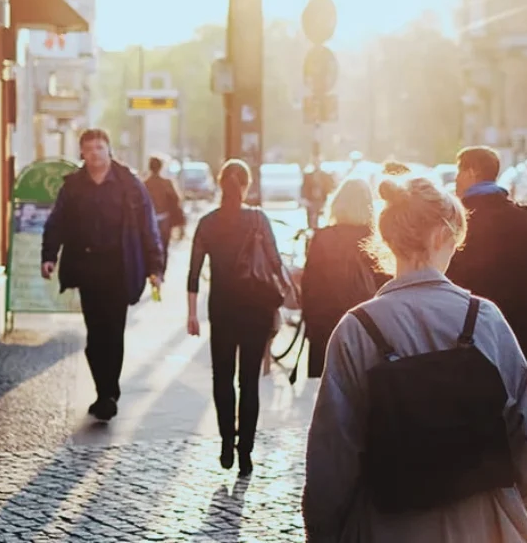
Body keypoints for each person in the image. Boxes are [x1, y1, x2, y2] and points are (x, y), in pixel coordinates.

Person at [303, 176, 527, 542]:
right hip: (482, 524)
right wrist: (517, 508)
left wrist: (322, 533)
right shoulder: (485, 319)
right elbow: (524, 440)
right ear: (438, 238)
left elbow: (333, 455)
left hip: (385, 526)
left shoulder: (357, 330)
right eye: (454, 243)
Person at [41, 129, 164, 422]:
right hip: (87, 268)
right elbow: (56, 222)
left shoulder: (130, 185)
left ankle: (108, 394)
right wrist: (49, 256)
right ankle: (103, 390)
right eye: (89, 149)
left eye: (100, 147)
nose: (95, 153)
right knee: (95, 336)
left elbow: (148, 227)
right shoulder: (73, 187)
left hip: (119, 268)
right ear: (82, 153)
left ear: (109, 150)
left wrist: (155, 268)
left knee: (113, 332)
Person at [186, 159, 282, 476]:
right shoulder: (258, 219)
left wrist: (191, 314)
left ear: (219, 183)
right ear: (246, 185)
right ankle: (246, 453)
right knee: (249, 381)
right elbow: (275, 263)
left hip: (222, 308)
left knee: (222, 378)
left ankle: (227, 441)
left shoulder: (208, 223)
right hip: (255, 308)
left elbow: (194, 272)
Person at [446, 146, 527, 364]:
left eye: (459, 172)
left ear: (472, 172)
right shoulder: (525, 218)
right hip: (517, 334)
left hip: (467, 336)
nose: (456, 180)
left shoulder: (459, 221)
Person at [300, 178, 389, 379]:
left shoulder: (322, 237)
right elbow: (386, 285)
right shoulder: (375, 240)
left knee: (328, 390)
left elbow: (309, 287)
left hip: (327, 327)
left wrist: (311, 324)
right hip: (368, 327)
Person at [143, 156, 186, 269]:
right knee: (164, 247)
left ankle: (152, 271)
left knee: (149, 247)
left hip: (148, 221)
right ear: (161, 167)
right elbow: (176, 200)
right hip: (164, 220)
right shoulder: (167, 183)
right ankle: (161, 272)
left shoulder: (144, 184)